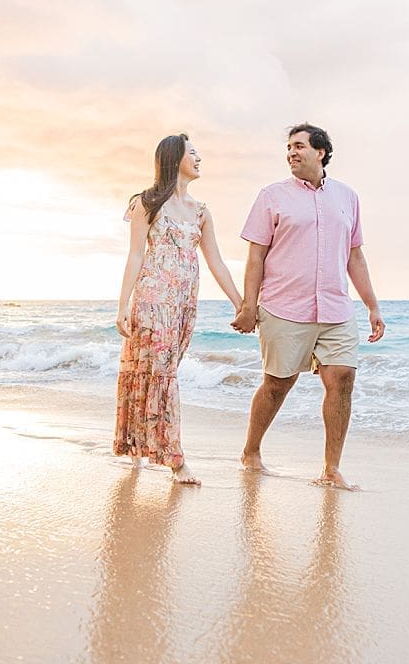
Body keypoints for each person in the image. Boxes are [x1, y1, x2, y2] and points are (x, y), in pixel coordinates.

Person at [231, 124, 384, 490]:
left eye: (298, 146)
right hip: (284, 307)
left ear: (321, 152)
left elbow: (355, 256)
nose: (291, 153)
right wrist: (249, 306)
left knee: (342, 379)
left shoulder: (348, 197)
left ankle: (331, 469)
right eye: (288, 148)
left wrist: (372, 306)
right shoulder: (271, 196)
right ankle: (251, 451)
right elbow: (256, 256)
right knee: (278, 384)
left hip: (336, 308)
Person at [115, 133, 243, 485]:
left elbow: (215, 260)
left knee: (155, 373)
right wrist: (123, 305)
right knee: (161, 375)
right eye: (192, 153)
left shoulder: (202, 212)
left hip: (185, 303)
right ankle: (175, 460)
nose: (199, 158)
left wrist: (239, 302)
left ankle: (136, 446)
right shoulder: (146, 202)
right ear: (174, 159)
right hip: (153, 299)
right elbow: (136, 255)